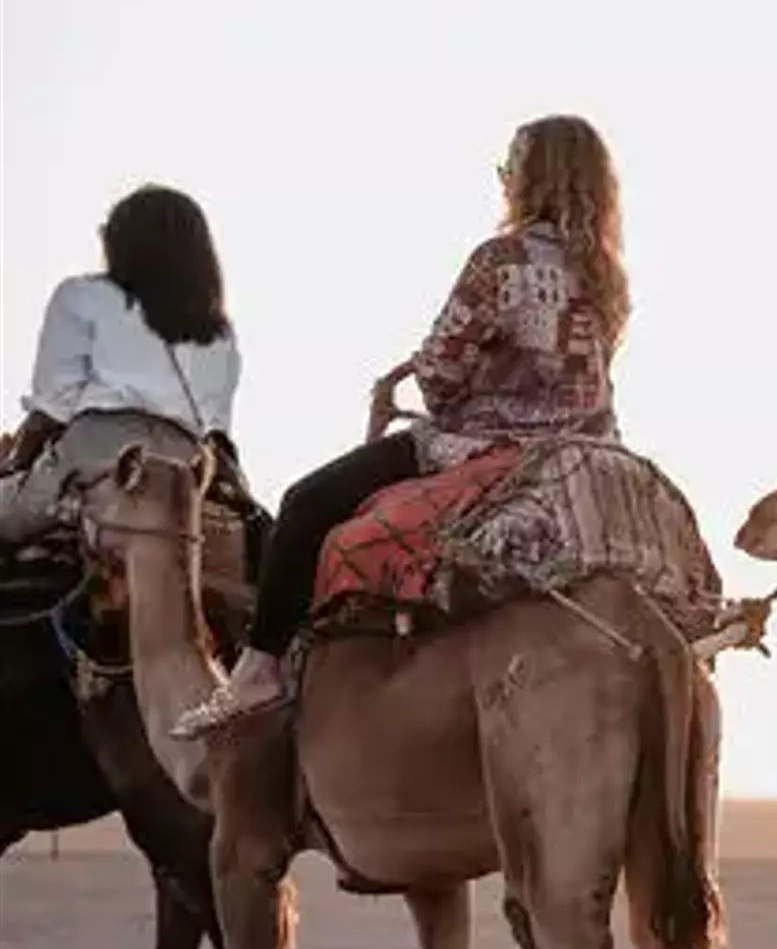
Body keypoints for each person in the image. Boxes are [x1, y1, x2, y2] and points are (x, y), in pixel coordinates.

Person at [171, 115, 629, 736]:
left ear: (532, 179)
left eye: (509, 170)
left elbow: (441, 375)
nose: (504, 184)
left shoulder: (502, 260)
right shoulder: (606, 277)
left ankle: (258, 671)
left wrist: (408, 382)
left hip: (481, 451)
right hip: (580, 461)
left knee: (305, 504)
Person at [0, 185, 244, 549]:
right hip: (182, 480)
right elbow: (216, 434)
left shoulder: (81, 296)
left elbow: (52, 408)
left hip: (94, 461)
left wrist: (13, 466)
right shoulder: (220, 333)